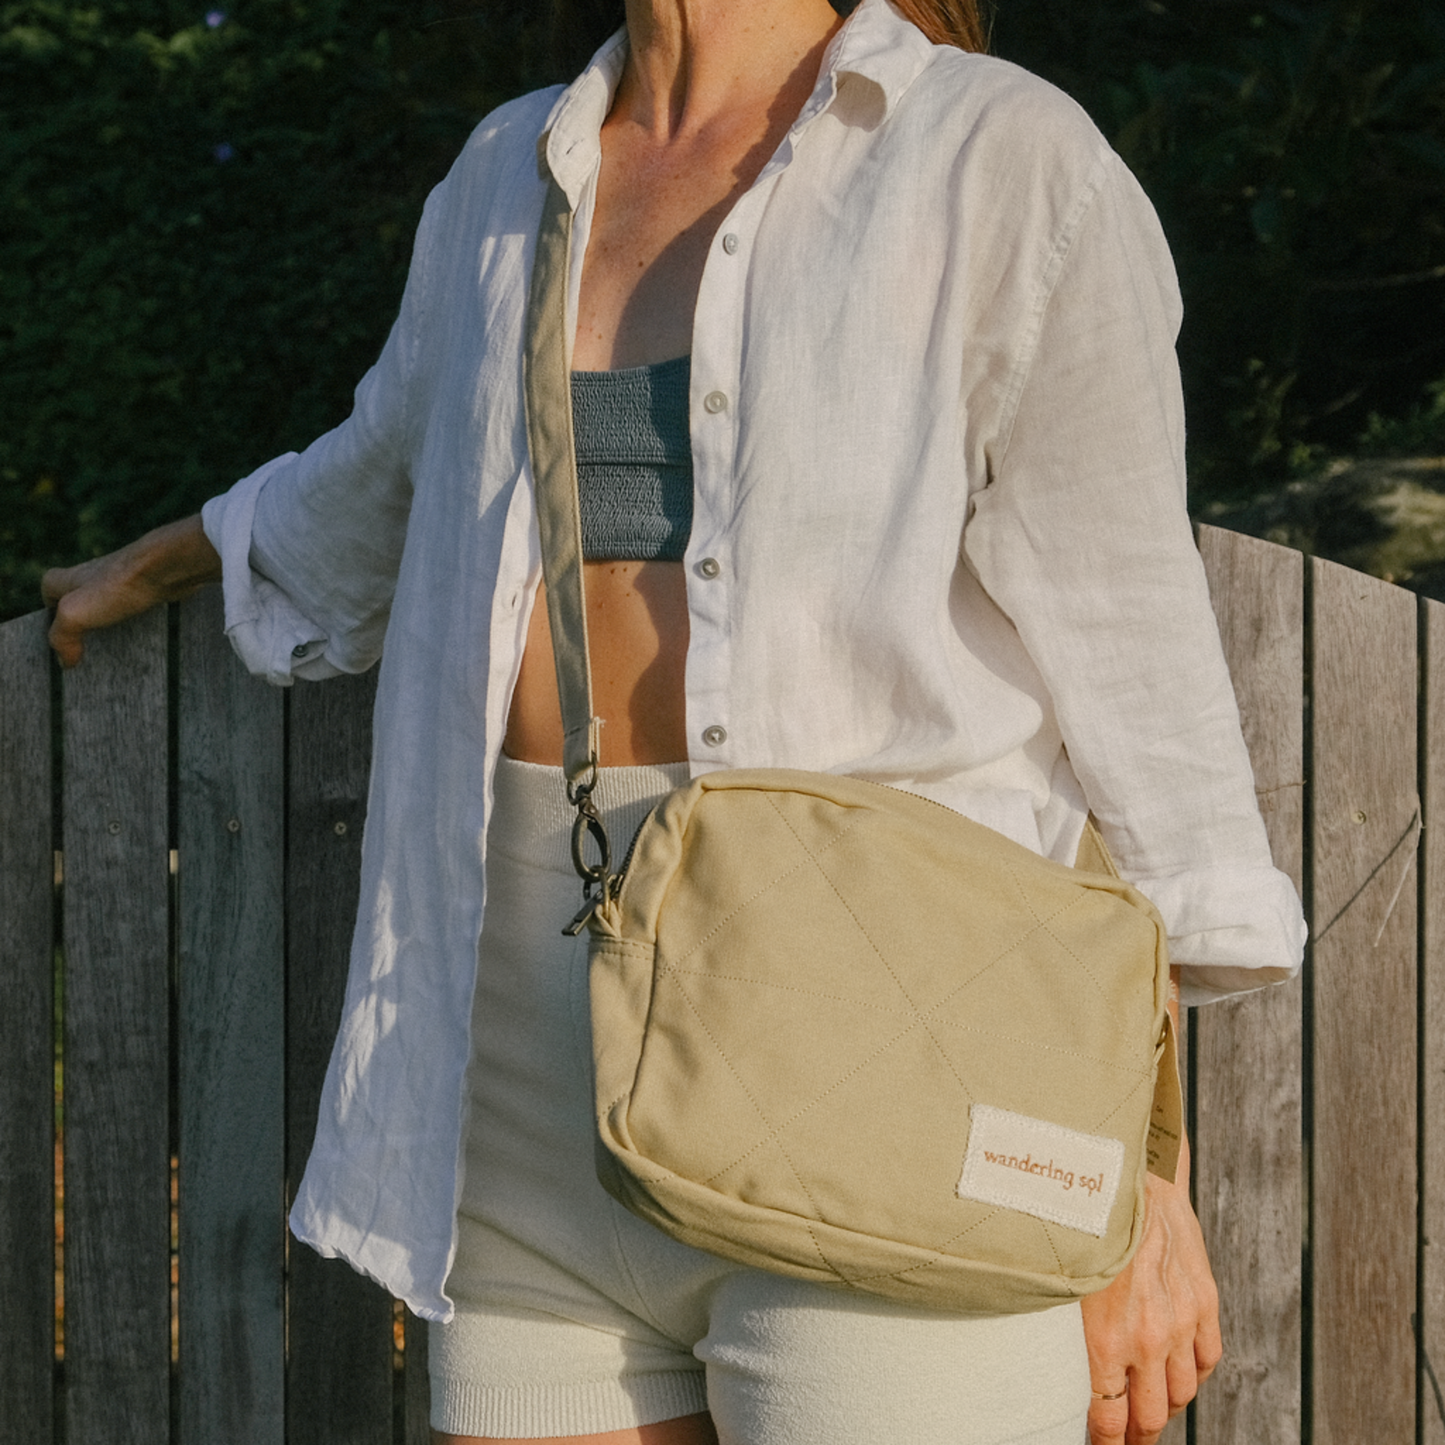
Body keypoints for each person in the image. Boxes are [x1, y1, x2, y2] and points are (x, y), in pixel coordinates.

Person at [42, 0, 1306, 1441]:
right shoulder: (505, 172)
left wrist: (1139, 1171)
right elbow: (390, 462)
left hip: (890, 1080)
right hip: (520, 1100)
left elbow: (1139, 668)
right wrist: (178, 553)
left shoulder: (1000, 159)